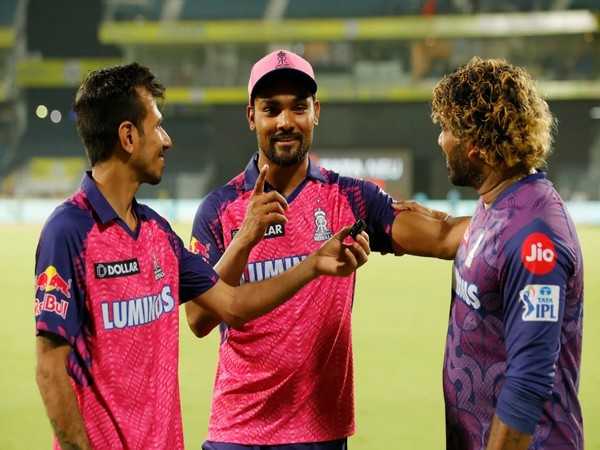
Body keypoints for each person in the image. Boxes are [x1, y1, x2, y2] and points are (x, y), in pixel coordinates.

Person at [34, 62, 371, 450]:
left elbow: (231, 304)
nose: (167, 140)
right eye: (157, 126)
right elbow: (49, 369)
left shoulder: (158, 233)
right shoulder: (69, 231)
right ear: (127, 136)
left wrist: (312, 264)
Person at [187, 49, 469, 449]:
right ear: (251, 115)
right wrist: (244, 237)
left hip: (321, 434)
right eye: (271, 109)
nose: (286, 121)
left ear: (315, 111)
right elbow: (198, 319)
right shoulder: (220, 208)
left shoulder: (350, 198)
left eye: (298, 107)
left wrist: (519, 217)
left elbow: (442, 237)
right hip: (239, 432)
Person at [431, 57, 583, 449]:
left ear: (477, 149)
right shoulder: (497, 202)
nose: (440, 140)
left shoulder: (537, 241)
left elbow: (528, 383)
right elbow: (438, 231)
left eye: (448, 130)